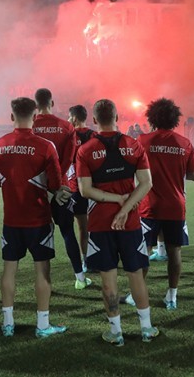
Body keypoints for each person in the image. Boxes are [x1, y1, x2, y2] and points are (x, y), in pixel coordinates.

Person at [77, 99, 158, 346]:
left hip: (101, 223)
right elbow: (146, 183)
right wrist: (125, 207)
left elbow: (85, 190)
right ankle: (147, 329)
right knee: (136, 274)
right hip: (130, 222)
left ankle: (116, 332)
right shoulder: (133, 145)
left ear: (94, 120)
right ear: (117, 116)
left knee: (108, 278)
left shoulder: (86, 150)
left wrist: (115, 201)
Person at [0, 97, 70, 339]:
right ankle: (42, 325)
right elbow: (56, 183)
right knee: (42, 271)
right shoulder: (45, 146)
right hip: (39, 220)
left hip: (11, 221)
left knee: (9, 271)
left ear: (11, 116)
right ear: (35, 117)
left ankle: (8, 324)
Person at [137, 98, 194, 310]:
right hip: (175, 205)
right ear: (175, 119)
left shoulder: (143, 140)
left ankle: (137, 294)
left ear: (152, 118)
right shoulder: (185, 143)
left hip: (149, 205)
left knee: (143, 250)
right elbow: (193, 175)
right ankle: (172, 296)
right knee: (174, 251)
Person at [32, 89, 89, 289]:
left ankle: (43, 283)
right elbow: (67, 160)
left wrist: (45, 186)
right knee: (67, 232)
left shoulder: (31, 125)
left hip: (36, 190)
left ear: (36, 104)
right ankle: (80, 278)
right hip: (62, 189)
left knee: (38, 234)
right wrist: (56, 185)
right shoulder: (66, 126)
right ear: (52, 103)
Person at [66, 104, 93, 271]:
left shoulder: (69, 136)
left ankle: (86, 261)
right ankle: (102, 256)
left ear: (74, 118)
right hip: (96, 188)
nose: (68, 120)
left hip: (76, 188)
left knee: (83, 227)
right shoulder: (95, 136)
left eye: (69, 117)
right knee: (99, 225)